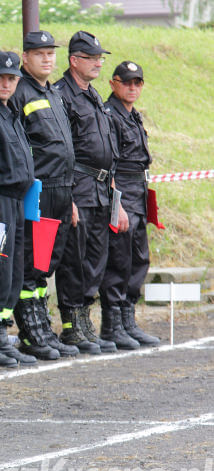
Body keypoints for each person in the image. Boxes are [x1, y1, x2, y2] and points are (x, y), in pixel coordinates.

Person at [54, 31, 128, 354]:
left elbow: (106, 148)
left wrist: (114, 193)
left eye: (100, 57)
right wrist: (67, 197)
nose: (99, 62)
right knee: (75, 258)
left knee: (96, 258)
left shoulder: (93, 94)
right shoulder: (62, 95)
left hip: (100, 188)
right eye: (92, 57)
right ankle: (72, 324)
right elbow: (64, 152)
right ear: (74, 61)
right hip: (78, 187)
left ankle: (84, 318)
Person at [10, 31, 80, 359]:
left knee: (45, 263)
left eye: (51, 53)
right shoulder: (20, 92)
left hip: (62, 190)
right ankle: (31, 332)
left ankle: (42, 326)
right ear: (25, 58)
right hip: (39, 190)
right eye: (39, 54)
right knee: (31, 262)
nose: (47, 59)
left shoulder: (52, 92)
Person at [0, 51, 45, 365]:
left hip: (16, 202)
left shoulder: (9, 108)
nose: (6, 83)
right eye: (0, 77)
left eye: (12, 78)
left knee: (13, 274)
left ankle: (1, 335)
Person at [99, 61, 160, 347]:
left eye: (137, 83)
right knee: (119, 259)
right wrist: (117, 202)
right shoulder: (109, 115)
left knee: (138, 258)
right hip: (121, 189)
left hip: (137, 189)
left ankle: (128, 319)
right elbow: (109, 163)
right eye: (127, 82)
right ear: (114, 83)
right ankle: (112, 325)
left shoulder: (133, 115)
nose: (132, 88)